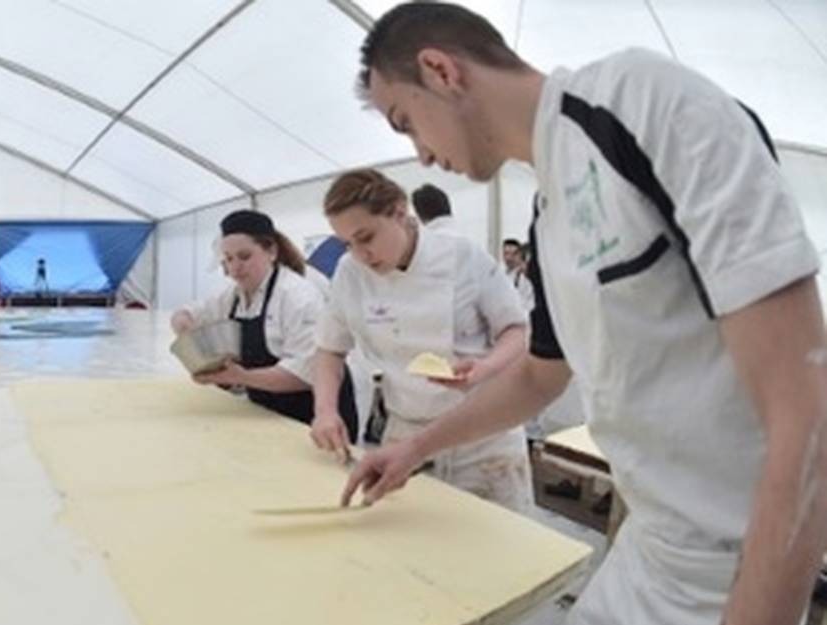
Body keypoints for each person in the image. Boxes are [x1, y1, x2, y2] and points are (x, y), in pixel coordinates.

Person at [342, 4, 827, 624]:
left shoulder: (638, 103)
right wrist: (413, 450)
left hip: (737, 565)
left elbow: (805, 410)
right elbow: (539, 377)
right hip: (646, 548)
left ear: (440, 70)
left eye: (407, 123)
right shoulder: (549, 217)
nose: (423, 157)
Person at [312, 169, 532, 512]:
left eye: (366, 237)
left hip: (483, 435)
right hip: (405, 431)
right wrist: (325, 411)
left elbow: (516, 331)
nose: (360, 254)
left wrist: (485, 367)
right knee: (408, 549)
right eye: (348, 244)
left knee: (501, 549)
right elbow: (330, 349)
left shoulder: (463, 256)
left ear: (400, 212)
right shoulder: (349, 272)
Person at [171, 209, 359, 437]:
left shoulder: (298, 296)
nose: (235, 268)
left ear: (271, 251)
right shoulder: (233, 296)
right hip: (268, 414)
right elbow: (190, 312)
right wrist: (185, 327)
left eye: (244, 256)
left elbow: (305, 373)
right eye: (228, 259)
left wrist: (239, 377)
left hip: (315, 420)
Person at [501, 237, 535, 311]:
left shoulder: (526, 276)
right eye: (506, 253)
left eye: (514, 254)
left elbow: (530, 303)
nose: (509, 258)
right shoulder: (500, 275)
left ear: (520, 255)